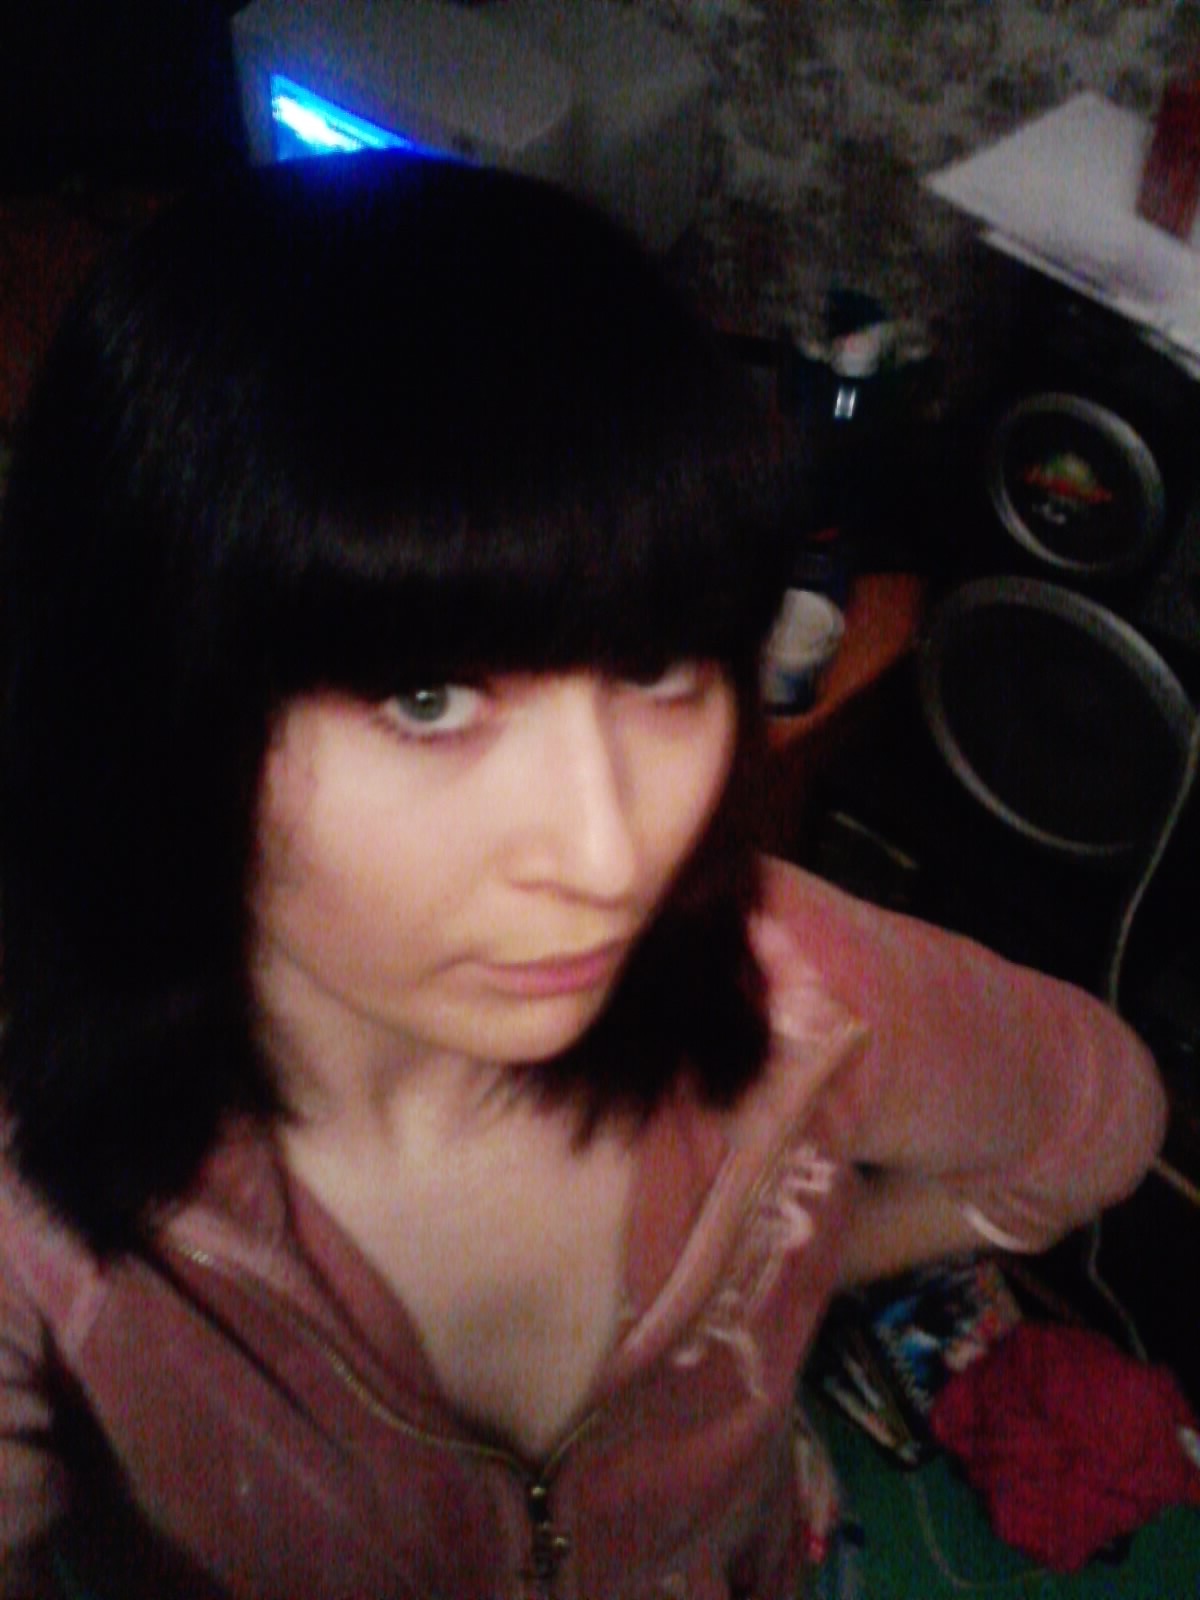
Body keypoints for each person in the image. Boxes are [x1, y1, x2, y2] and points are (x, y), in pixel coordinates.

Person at [0, 151, 1166, 1599]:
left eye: (659, 665)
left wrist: (776, 1285)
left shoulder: (798, 988)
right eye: (428, 698)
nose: (614, 857)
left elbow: (1098, 1122)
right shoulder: (37, 1208)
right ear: (150, 707)